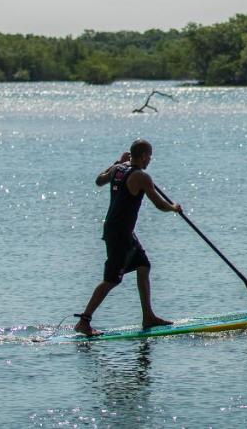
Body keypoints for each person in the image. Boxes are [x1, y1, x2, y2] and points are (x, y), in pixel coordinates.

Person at [74, 138, 183, 336]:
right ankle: (84, 321)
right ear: (142, 156)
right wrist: (173, 207)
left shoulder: (118, 169)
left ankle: (148, 316)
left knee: (143, 266)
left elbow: (99, 180)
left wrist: (116, 162)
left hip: (120, 231)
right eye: (149, 156)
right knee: (112, 280)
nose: (150, 160)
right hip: (120, 234)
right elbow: (159, 204)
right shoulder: (142, 177)